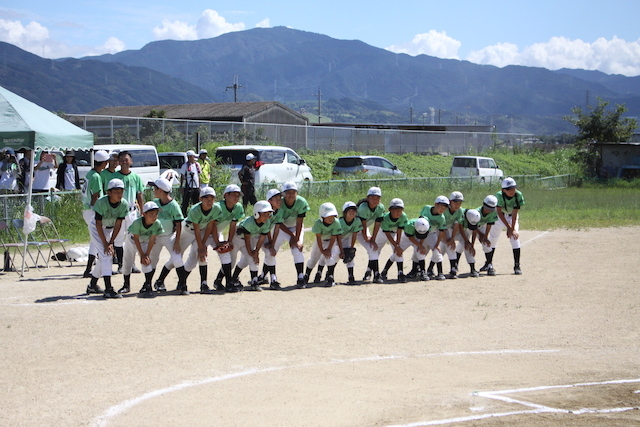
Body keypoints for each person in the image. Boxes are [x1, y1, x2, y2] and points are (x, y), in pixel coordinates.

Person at [154, 186, 217, 295]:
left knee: (201, 256)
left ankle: (203, 284)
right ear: (200, 199)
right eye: (206, 198)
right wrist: (201, 246)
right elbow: (196, 229)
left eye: (212, 198)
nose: (209, 200)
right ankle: (159, 281)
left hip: (201, 232)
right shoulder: (195, 209)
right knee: (176, 257)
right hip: (187, 231)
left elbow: (210, 226)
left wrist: (203, 245)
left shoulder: (216, 209)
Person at [86, 178, 129, 299]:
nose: (119, 194)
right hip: (96, 228)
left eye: (121, 191)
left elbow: (118, 225)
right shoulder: (101, 202)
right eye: (116, 191)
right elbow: (98, 224)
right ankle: (108, 289)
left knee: (104, 257)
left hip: (109, 229)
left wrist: (111, 242)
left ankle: (92, 285)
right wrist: (105, 243)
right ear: (108, 192)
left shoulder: (123, 204)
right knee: (106, 255)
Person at [201, 184, 244, 293]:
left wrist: (229, 241)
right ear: (225, 195)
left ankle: (226, 282)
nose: (236, 197)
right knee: (194, 260)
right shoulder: (218, 207)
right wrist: (217, 242)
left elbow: (233, 225)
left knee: (226, 256)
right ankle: (183, 283)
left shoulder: (238, 207)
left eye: (238, 195)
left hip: (217, 233)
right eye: (233, 194)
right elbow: (212, 225)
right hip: (205, 233)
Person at [118, 201, 165, 295]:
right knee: (127, 261)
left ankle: (148, 285)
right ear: (144, 214)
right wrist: (141, 254)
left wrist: (146, 254)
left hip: (145, 242)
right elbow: (136, 239)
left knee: (147, 262)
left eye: (156, 214)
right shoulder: (137, 223)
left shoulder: (157, 223)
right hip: (132, 241)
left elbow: (152, 240)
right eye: (151, 214)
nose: (154, 216)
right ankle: (126, 285)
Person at [268, 181, 309, 287]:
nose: (290, 195)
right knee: (272, 250)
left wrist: (296, 238)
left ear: (297, 193)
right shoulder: (279, 203)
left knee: (297, 249)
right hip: (281, 228)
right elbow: (278, 223)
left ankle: (300, 277)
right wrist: (292, 235)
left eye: (293, 192)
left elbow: (300, 222)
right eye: (288, 192)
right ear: (283, 194)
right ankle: (267, 276)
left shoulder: (301, 202)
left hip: (296, 228)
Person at [147, 178, 185, 292]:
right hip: (156, 237)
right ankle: (147, 284)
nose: (153, 190)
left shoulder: (173, 205)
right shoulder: (154, 203)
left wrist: (177, 242)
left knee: (177, 259)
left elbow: (179, 225)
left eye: (155, 188)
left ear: (161, 191)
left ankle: (183, 285)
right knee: (153, 260)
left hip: (169, 237)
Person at [228, 200, 274, 291]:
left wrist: (256, 252)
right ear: (257, 214)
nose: (267, 216)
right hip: (236, 239)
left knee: (252, 260)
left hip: (247, 240)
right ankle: (219, 280)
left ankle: (254, 282)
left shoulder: (267, 223)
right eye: (264, 214)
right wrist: (251, 252)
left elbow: (261, 238)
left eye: (268, 214)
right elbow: (247, 238)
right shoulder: (249, 222)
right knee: (231, 262)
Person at [113, 151, 145, 274]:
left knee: (133, 237)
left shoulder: (135, 177)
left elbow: (139, 194)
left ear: (131, 161)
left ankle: (132, 264)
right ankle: (121, 264)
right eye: (121, 160)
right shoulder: (115, 177)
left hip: (132, 211)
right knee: (119, 238)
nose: (124, 162)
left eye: (126, 159)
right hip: (119, 211)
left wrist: (142, 211)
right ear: (118, 162)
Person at [81, 150, 110, 279]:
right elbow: (96, 197)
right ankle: (95, 268)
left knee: (94, 240)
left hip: (86, 209)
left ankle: (89, 269)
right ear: (104, 163)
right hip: (92, 210)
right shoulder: (97, 176)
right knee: (98, 239)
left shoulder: (90, 173)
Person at [303, 203, 343, 288]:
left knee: (330, 258)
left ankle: (330, 278)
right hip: (320, 241)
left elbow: (333, 237)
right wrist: (322, 250)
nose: (330, 218)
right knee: (313, 259)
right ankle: (306, 276)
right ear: (322, 217)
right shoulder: (318, 223)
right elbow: (318, 238)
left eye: (332, 216)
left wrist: (328, 249)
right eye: (328, 216)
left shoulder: (336, 222)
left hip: (330, 242)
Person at [492, 177, 525, 275]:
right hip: (499, 217)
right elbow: (499, 212)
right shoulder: (499, 195)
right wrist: (508, 227)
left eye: (513, 188)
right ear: (503, 190)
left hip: (512, 217)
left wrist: (512, 228)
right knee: (493, 239)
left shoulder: (518, 195)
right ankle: (488, 264)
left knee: (515, 238)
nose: (512, 191)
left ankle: (517, 265)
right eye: (509, 189)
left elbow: (515, 213)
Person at [256, 189, 285, 290]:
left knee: (270, 253)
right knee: (246, 260)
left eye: (279, 199)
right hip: (257, 235)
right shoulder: (266, 211)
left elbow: (276, 229)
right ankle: (270, 279)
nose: (279, 201)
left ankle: (269, 278)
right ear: (269, 201)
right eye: (276, 199)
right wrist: (270, 243)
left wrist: (272, 243)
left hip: (265, 234)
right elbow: (266, 228)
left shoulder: (280, 211)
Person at [356, 187, 385, 283]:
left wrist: (373, 239)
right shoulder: (363, 207)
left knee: (373, 249)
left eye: (377, 198)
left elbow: (377, 224)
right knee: (341, 252)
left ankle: (376, 275)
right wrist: (366, 237)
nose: (375, 200)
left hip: (363, 230)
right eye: (373, 198)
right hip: (352, 231)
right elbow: (363, 224)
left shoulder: (380, 207)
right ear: (368, 198)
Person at [378, 198, 409, 283]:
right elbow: (387, 234)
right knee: (375, 250)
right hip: (383, 232)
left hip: (395, 232)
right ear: (390, 210)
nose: (398, 211)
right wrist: (396, 246)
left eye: (400, 209)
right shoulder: (385, 218)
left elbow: (399, 231)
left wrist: (398, 245)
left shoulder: (403, 216)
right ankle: (369, 270)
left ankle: (400, 273)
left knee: (398, 252)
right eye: (395, 209)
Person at [419, 195, 450, 281]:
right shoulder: (426, 208)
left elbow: (441, 231)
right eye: (441, 207)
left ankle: (440, 273)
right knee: (419, 252)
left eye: (444, 208)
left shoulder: (441, 217)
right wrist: (420, 242)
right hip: (422, 233)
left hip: (432, 234)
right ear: (435, 204)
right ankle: (417, 271)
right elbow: (420, 220)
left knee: (437, 251)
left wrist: (437, 244)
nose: (442, 210)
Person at [440, 191, 466, 279]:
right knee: (439, 247)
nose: (457, 205)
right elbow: (441, 226)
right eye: (455, 202)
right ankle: (421, 268)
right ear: (450, 201)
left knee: (448, 246)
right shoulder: (444, 209)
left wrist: (452, 239)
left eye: (459, 203)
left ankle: (453, 268)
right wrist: (446, 239)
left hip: (448, 229)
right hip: (438, 229)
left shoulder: (459, 211)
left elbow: (456, 225)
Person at [400, 217, 431, 281]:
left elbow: (423, 236)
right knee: (397, 252)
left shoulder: (427, 224)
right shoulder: (409, 225)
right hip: (407, 238)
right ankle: (385, 271)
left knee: (420, 252)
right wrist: (419, 245)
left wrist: (421, 246)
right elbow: (410, 237)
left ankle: (423, 272)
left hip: (417, 237)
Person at [475, 195, 500, 276]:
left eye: (490, 209)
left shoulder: (493, 212)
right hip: (469, 227)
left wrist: (485, 236)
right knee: (463, 245)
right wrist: (481, 235)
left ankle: (489, 265)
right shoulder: (476, 212)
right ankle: (454, 266)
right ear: (483, 204)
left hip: (481, 226)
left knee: (486, 245)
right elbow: (472, 227)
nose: (488, 210)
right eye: (487, 208)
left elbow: (489, 224)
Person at [456, 208, 482, 277]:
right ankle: (431, 268)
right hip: (453, 230)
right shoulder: (461, 215)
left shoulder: (476, 217)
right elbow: (460, 228)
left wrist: (472, 245)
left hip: (463, 230)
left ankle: (471, 268)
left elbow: (474, 231)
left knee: (467, 246)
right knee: (465, 244)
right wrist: (467, 241)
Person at [180, 150, 201, 216]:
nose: (190, 158)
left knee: (196, 202)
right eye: (188, 157)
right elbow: (182, 176)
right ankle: (184, 215)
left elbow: (198, 176)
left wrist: (199, 186)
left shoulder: (197, 165)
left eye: (191, 157)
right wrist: (182, 186)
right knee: (185, 202)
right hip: (188, 185)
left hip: (196, 185)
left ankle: (196, 214)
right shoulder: (185, 165)